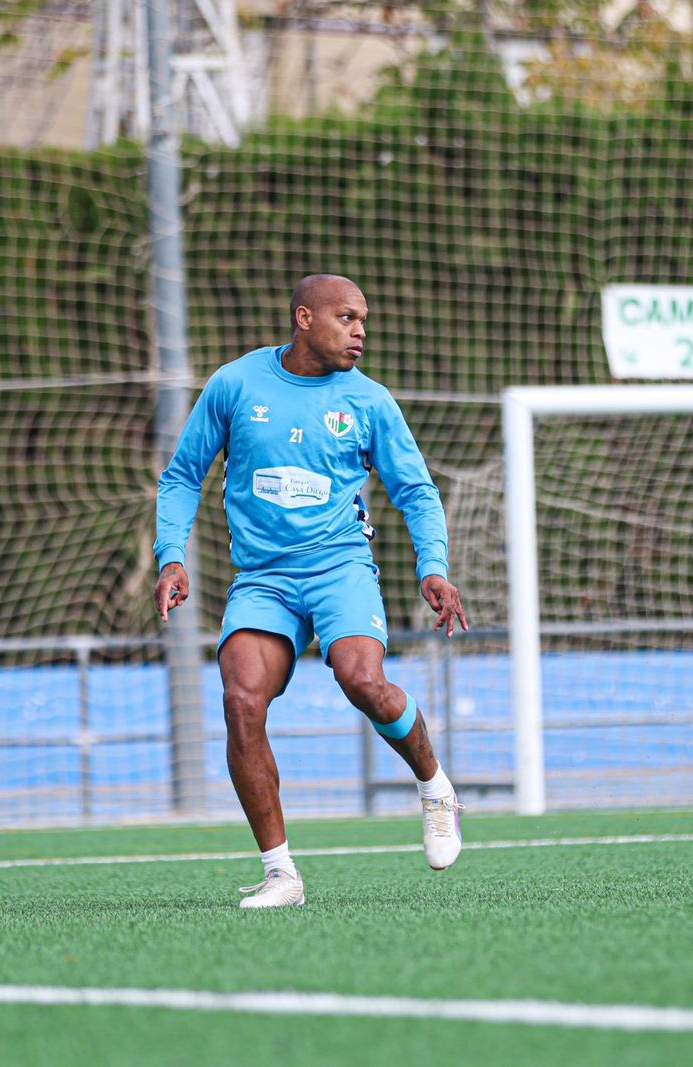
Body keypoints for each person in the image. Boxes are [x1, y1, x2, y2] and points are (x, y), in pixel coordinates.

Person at [153, 274, 470, 907]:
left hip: (340, 568)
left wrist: (432, 566)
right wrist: (171, 557)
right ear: (304, 318)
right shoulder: (236, 384)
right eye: (347, 318)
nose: (359, 332)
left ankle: (435, 787)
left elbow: (416, 490)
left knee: (364, 683)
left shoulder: (370, 401)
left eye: (364, 320)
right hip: (263, 579)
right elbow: (183, 475)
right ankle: (281, 874)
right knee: (242, 700)